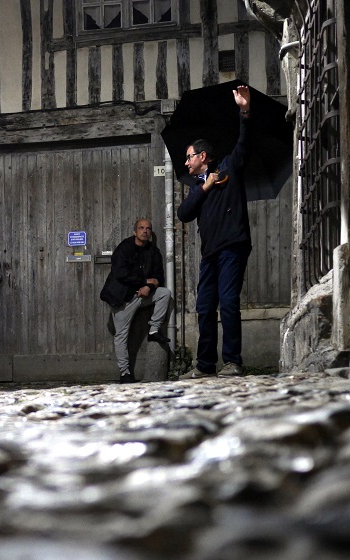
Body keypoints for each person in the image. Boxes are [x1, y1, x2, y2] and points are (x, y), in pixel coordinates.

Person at [177, 84, 252, 379]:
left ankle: (233, 361)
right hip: (210, 253)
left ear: (203, 156)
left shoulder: (229, 169)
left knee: (229, 301)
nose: (186, 162)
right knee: (205, 307)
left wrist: (244, 111)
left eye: (189, 157)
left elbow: (243, 144)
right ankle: (205, 365)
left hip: (233, 246)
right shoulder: (198, 188)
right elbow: (184, 213)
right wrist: (205, 187)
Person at [100, 218, 172, 383]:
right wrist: (145, 282)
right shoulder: (125, 248)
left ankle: (153, 331)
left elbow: (158, 277)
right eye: (141, 228)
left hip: (142, 295)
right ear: (135, 231)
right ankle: (125, 374)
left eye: (148, 228)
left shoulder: (154, 252)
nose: (145, 231)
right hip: (123, 298)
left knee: (164, 293)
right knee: (121, 335)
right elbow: (120, 273)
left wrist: (150, 287)